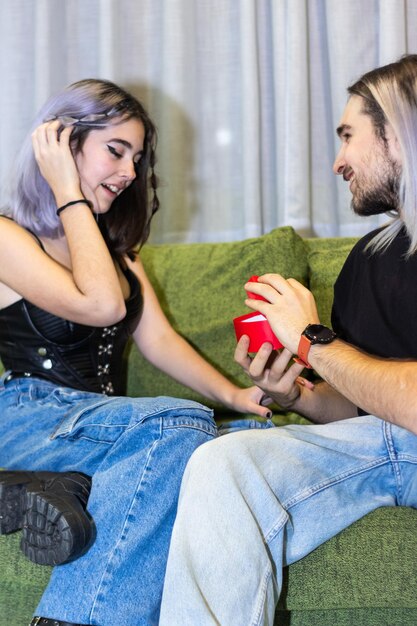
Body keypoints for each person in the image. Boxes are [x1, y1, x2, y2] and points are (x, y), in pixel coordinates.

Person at [0, 78, 272, 626]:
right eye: (115, 150)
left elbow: (161, 341)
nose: (129, 172)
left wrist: (237, 397)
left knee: (250, 445)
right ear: (61, 143)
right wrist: (67, 190)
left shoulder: (119, 254)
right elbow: (100, 306)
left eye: (137, 157)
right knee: (177, 423)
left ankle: (51, 486)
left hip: (97, 428)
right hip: (24, 415)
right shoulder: (7, 237)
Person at [158, 54, 417, 625]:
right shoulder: (370, 260)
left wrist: (310, 337)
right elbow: (355, 408)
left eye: (349, 136)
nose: (337, 161)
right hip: (384, 447)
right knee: (220, 461)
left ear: (398, 134)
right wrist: (295, 392)